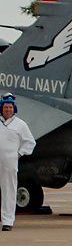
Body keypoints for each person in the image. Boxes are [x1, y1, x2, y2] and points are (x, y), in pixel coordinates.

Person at [0, 94, 36, 230]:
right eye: (5, 107)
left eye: (10, 107)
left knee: (9, 190)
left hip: (10, 162)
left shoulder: (20, 124)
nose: (8, 109)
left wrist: (19, 154)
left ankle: (7, 221)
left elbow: (30, 142)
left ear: (14, 108)